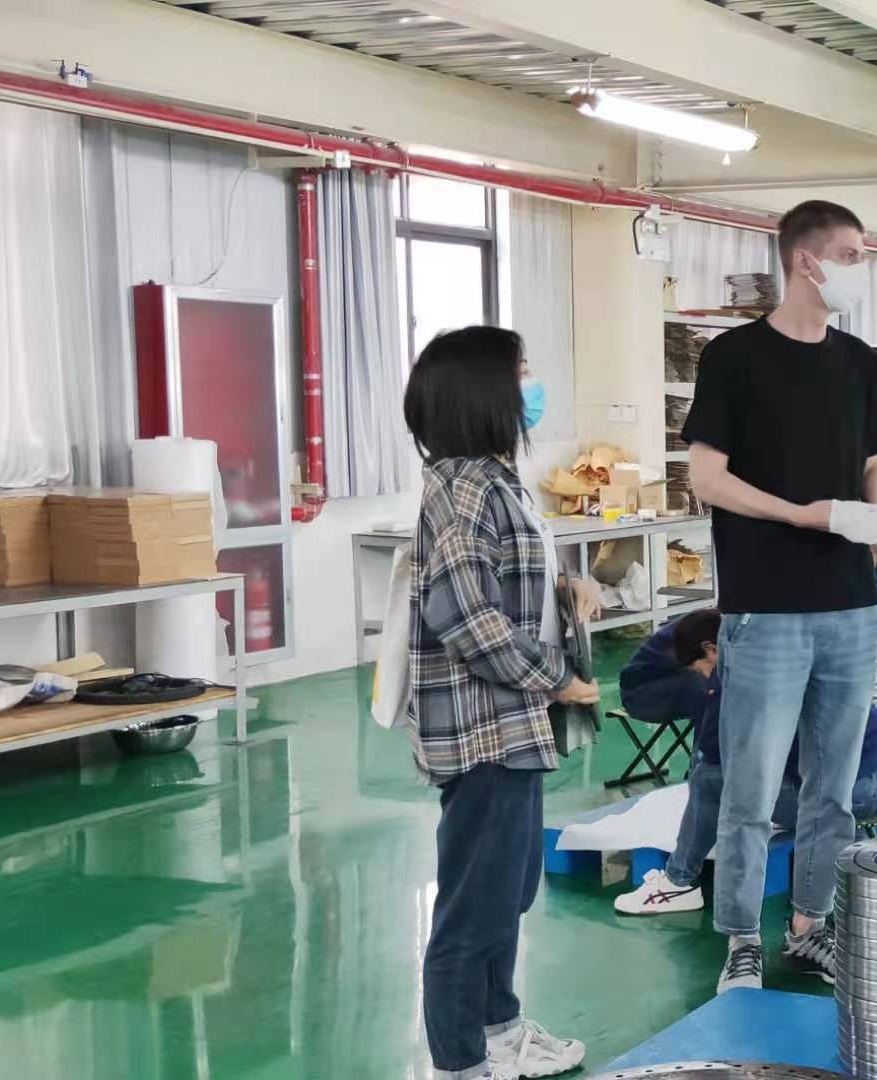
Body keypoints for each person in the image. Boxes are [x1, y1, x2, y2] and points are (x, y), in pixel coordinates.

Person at [682, 199, 877, 993]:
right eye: (852, 255)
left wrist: (873, 520)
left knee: (833, 789)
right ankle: (742, 936)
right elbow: (706, 478)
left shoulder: (858, 361)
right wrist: (804, 515)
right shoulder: (734, 358)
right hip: (766, 606)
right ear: (807, 261)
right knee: (750, 788)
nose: (860, 269)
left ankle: (812, 925)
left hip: (850, 605)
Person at [404, 326, 601, 1080]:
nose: (531, 385)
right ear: (481, 390)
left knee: (507, 892)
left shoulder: (496, 478)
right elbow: (465, 615)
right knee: (473, 907)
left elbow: (499, 586)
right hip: (482, 729)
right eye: (520, 372)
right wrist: (557, 676)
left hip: (512, 726)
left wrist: (563, 590)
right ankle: (461, 1062)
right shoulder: (463, 489)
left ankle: (501, 1029)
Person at [614, 611, 877, 915]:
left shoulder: (733, 680)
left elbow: (718, 757)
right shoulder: (788, 651)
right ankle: (851, 846)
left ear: (711, 650)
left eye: (699, 668)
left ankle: (678, 882)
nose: (702, 676)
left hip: (855, 792)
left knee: (707, 778)